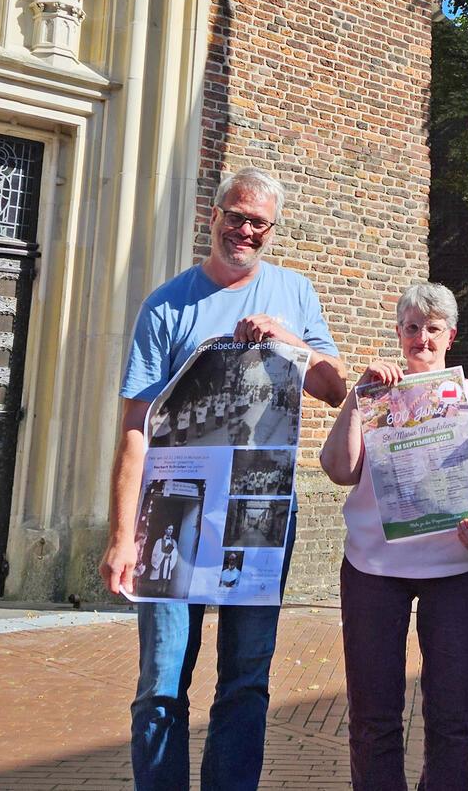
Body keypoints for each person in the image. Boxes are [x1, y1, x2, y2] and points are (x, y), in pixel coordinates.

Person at [99, 167, 347, 791]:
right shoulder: (167, 304)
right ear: (212, 216)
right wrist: (121, 535)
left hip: (258, 512)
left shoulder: (295, 292)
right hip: (171, 512)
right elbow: (136, 427)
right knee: (161, 682)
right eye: (235, 215)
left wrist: (289, 339)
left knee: (245, 677)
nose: (244, 229)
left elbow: (336, 389)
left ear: (271, 229)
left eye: (258, 221)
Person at [320, 283, 468, 791]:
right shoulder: (375, 394)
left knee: (453, 716)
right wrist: (356, 401)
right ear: (398, 332)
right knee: (373, 715)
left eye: (432, 329)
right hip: (374, 571)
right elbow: (338, 469)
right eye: (411, 328)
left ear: (450, 335)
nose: (421, 339)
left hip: (456, 572)